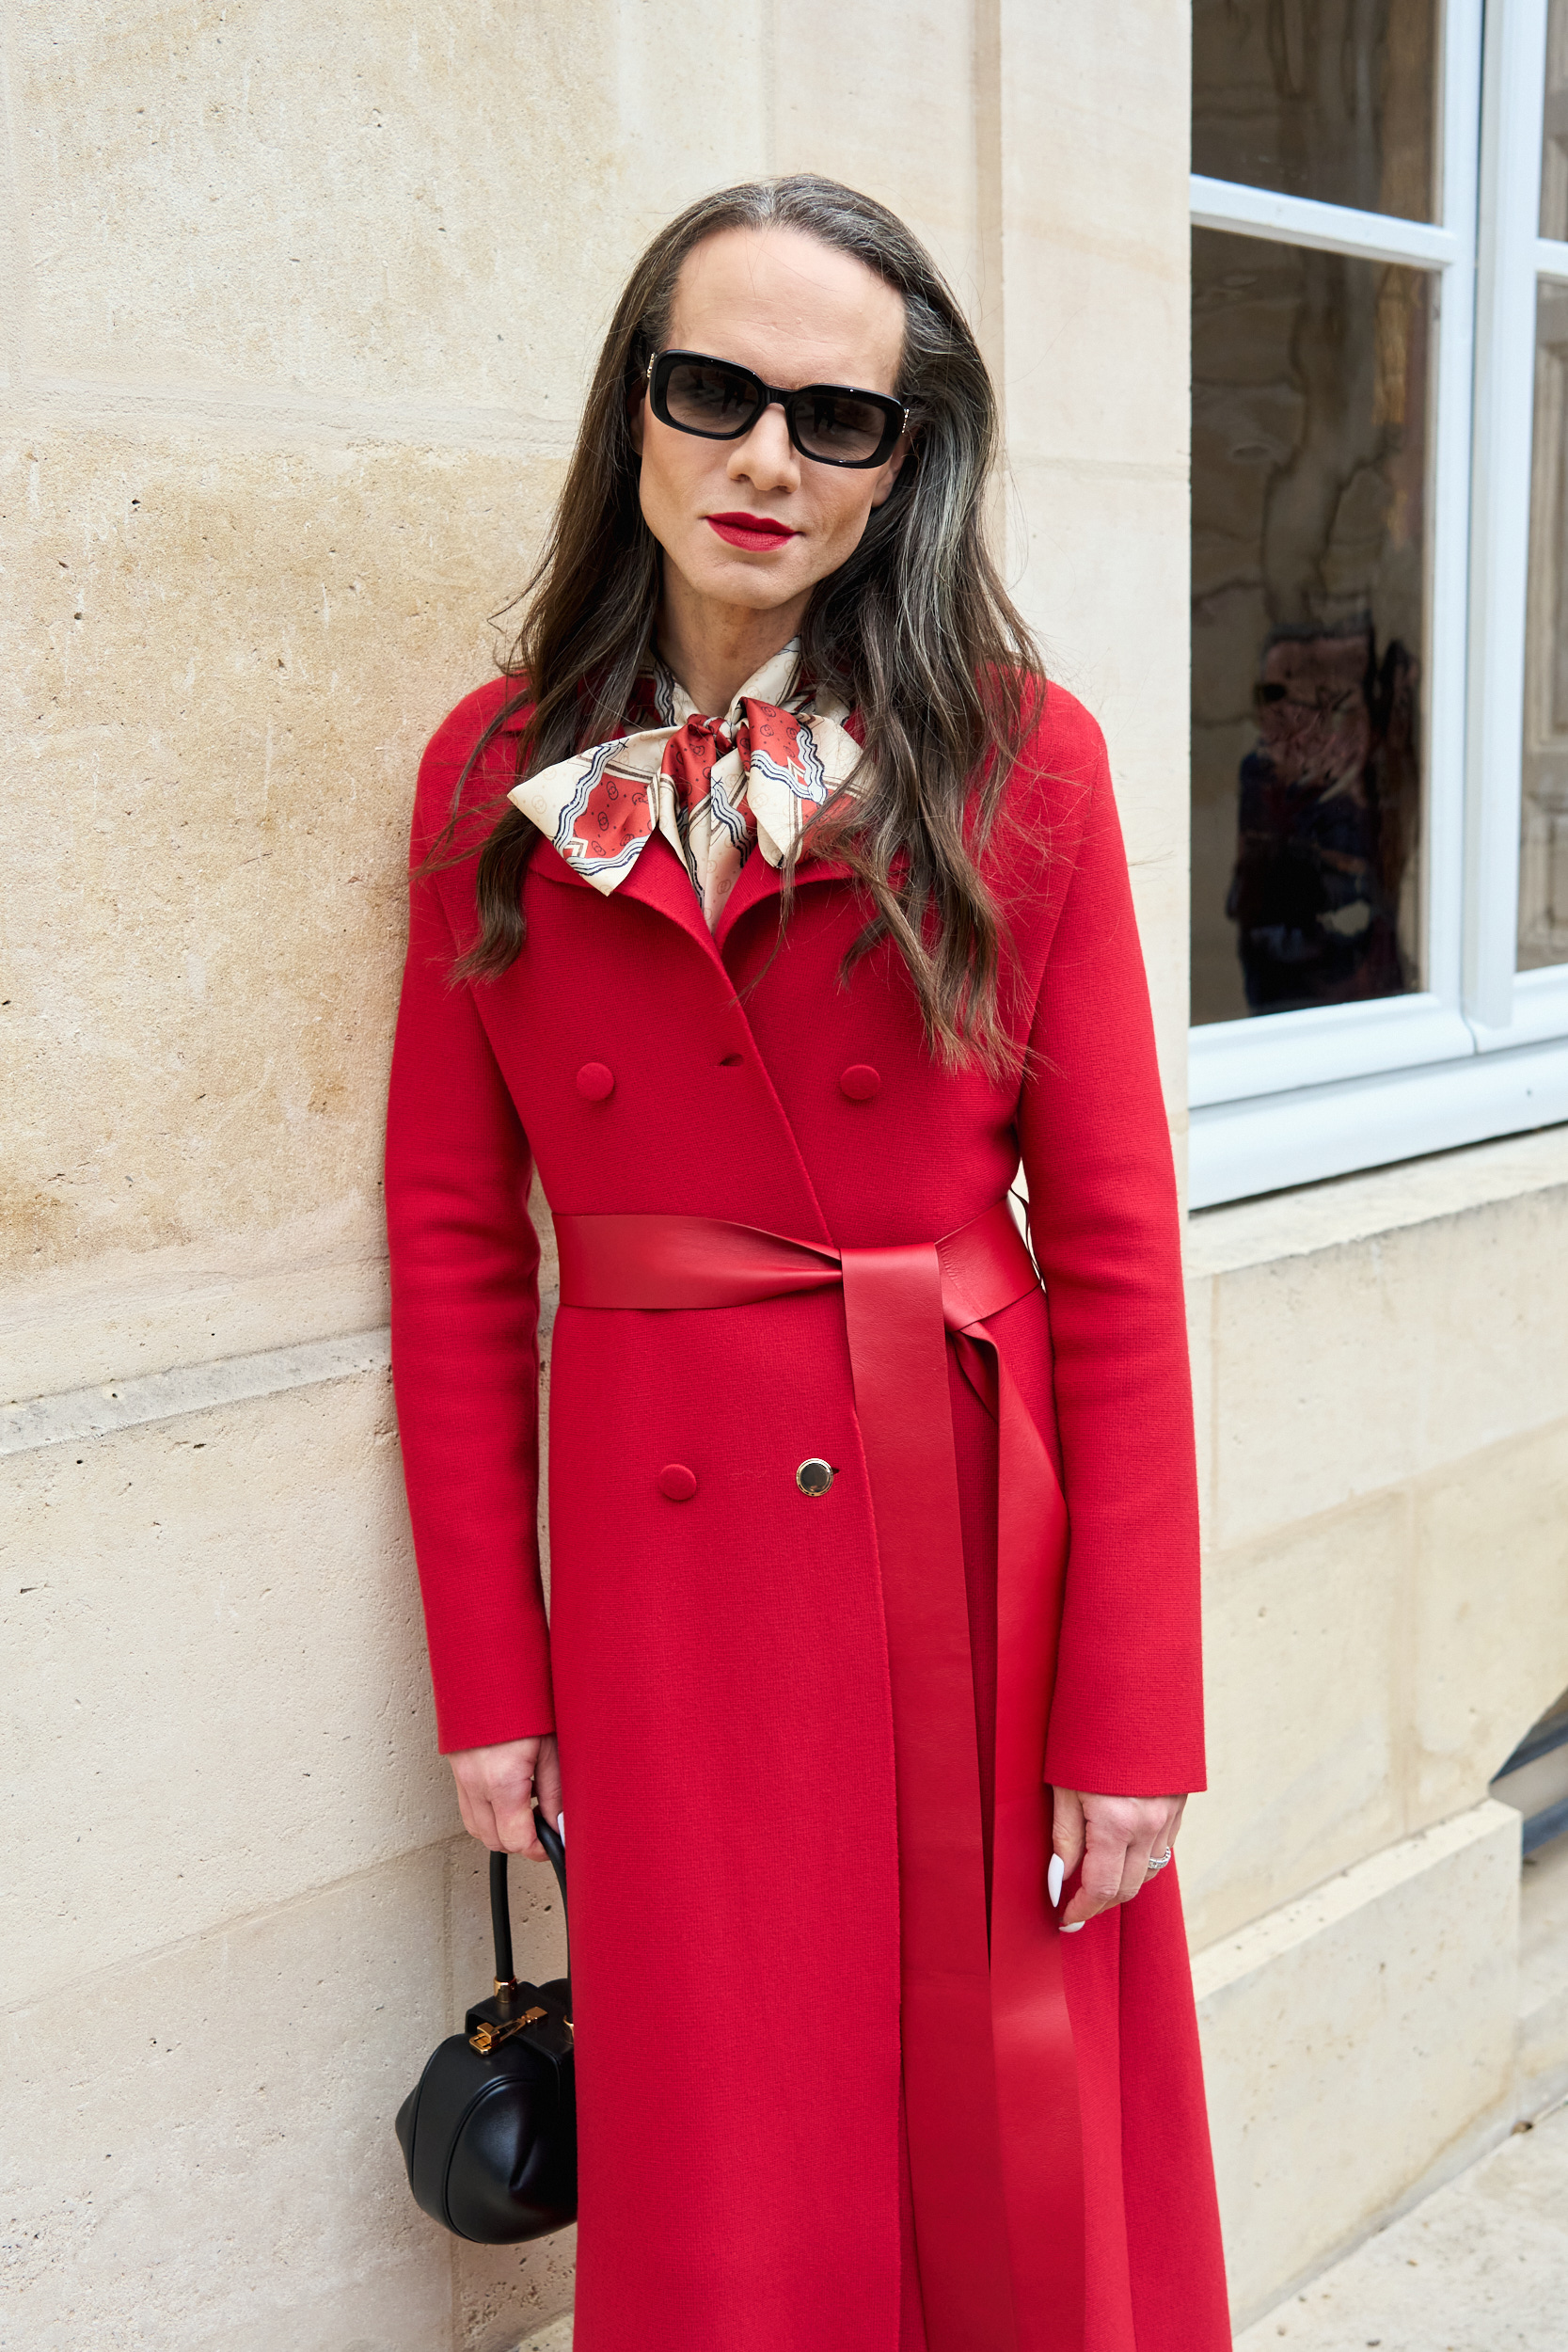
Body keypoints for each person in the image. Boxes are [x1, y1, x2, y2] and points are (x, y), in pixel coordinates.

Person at [386, 173, 1229, 2352]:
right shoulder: (491, 774)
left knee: (1007, 2144)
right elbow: (460, 1238)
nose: (768, 458)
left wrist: (1128, 1707)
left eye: (835, 418)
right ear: (637, 416)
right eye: (716, 390)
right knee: (737, 2153)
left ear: (903, 457)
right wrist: (494, 1671)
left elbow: (1120, 1254)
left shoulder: (1021, 760)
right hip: (673, 1606)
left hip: (970, 1537)